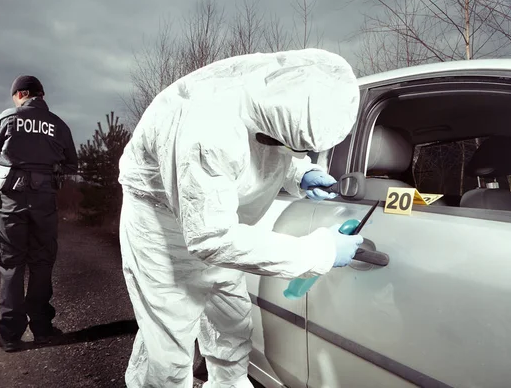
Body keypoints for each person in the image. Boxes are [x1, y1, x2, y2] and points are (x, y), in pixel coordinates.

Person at [118, 48, 364, 387]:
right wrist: (320, 252)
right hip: (161, 229)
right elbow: (211, 237)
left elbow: (263, 144)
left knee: (232, 327)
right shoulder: (205, 127)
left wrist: (298, 174)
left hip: (219, 220)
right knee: (168, 349)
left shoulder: (272, 92)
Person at [0, 75, 78, 352]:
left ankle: (11, 334)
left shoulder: (5, 119)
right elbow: (71, 164)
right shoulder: (58, 125)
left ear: (20, 94)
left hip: (12, 200)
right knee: (42, 261)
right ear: (41, 94)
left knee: (11, 263)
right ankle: (42, 329)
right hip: (45, 201)